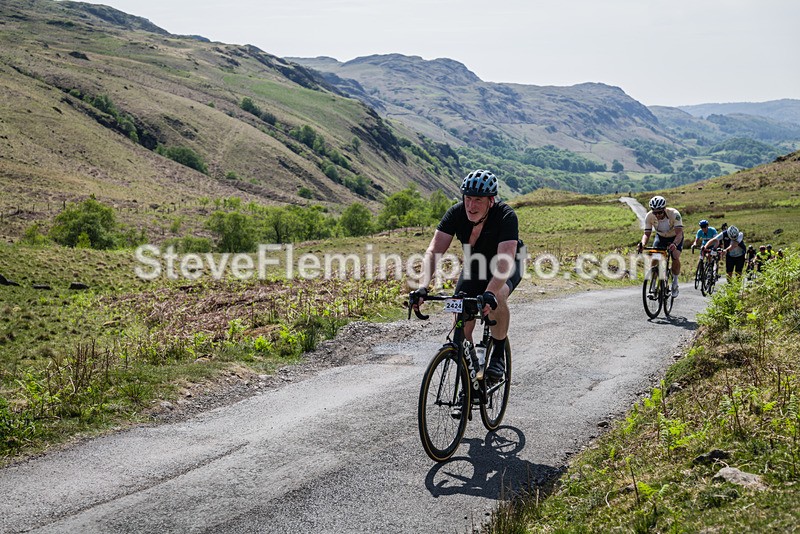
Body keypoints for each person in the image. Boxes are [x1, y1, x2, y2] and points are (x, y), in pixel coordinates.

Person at [412, 169, 524, 385]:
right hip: (476, 265)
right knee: (461, 321)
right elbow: (434, 251)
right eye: (468, 198)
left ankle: (498, 353)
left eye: (478, 200)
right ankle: (471, 373)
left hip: (508, 263)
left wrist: (490, 293)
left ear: (491, 201)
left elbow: (505, 260)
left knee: (498, 295)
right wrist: (422, 287)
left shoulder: (506, 216)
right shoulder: (455, 214)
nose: (471, 206)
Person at [637, 195, 684, 297]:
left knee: (675, 256)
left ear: (664, 209)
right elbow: (647, 234)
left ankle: (675, 283)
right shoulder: (649, 216)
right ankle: (653, 287)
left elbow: (679, 233)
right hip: (661, 237)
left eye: (660, 212)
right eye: (655, 212)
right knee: (655, 258)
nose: (657, 215)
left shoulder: (674, 214)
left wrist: (674, 244)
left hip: (675, 237)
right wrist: (642, 244)